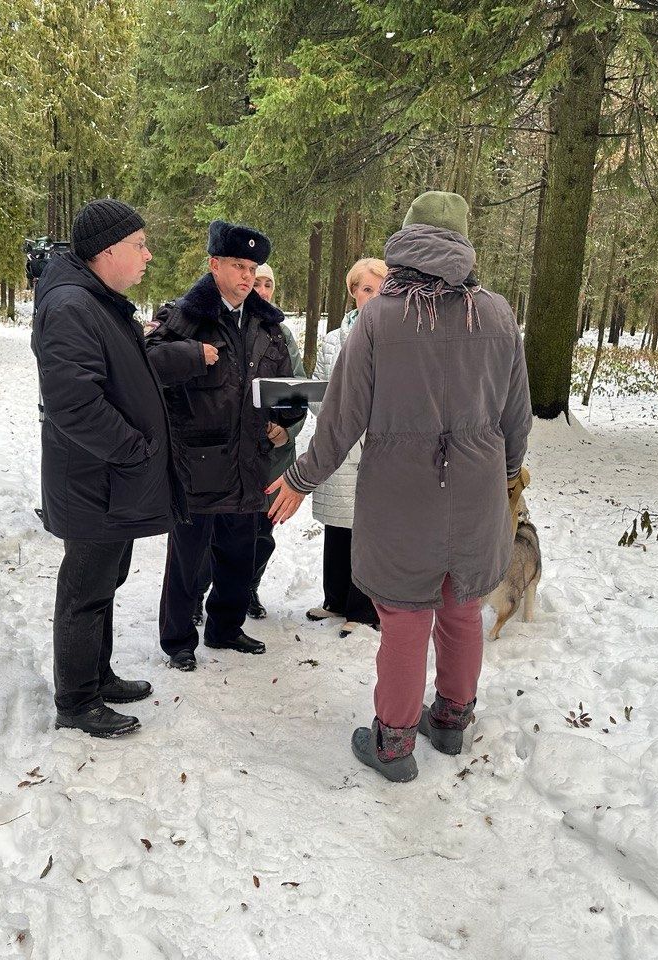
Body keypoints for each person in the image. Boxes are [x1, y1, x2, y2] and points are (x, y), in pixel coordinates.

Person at [268, 191, 533, 782]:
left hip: (400, 498)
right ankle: (451, 720)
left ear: (407, 241)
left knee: (407, 617)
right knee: (462, 608)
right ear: (463, 242)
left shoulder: (379, 317)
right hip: (476, 496)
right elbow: (517, 416)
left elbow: (340, 419)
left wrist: (299, 476)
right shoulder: (496, 314)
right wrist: (507, 473)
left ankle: (392, 744)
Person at [31, 198, 184, 738]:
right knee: (86, 588)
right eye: (139, 246)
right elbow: (74, 403)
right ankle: (76, 702)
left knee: (105, 580)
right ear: (108, 251)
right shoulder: (72, 305)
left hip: (110, 480)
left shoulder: (95, 299)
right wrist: (135, 449)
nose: (148, 255)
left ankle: (98, 676)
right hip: (94, 480)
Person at [146, 221, 305, 671]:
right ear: (214, 264)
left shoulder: (267, 324)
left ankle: (226, 627)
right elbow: (149, 363)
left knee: (241, 551)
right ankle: (178, 641)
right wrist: (192, 355)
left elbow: (287, 386)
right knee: (188, 558)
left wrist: (285, 421)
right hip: (198, 460)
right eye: (238, 265)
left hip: (250, 459)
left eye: (253, 267)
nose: (247, 276)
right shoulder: (183, 316)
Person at [191, 262, 304, 625]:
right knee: (215, 532)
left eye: (268, 283)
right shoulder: (219, 324)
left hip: (271, 455)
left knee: (261, 532)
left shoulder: (281, 334)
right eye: (255, 282)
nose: (261, 289)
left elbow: (297, 388)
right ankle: (196, 594)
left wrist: (286, 430)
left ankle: (247, 589)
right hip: (230, 454)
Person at [307, 257, 387, 637]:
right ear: (353, 292)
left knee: (365, 528)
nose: (372, 297)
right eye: (365, 289)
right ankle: (334, 599)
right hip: (339, 446)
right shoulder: (332, 341)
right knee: (337, 527)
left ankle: (362, 609)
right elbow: (318, 390)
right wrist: (337, 420)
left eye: (380, 290)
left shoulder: (393, 338)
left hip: (374, 448)